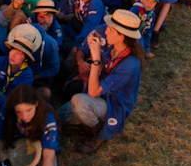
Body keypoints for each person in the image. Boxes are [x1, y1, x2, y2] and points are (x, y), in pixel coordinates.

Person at [59, 9, 144, 154]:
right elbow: (97, 73)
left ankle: (95, 131)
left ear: (121, 36)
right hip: (102, 97)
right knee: (58, 117)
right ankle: (87, 119)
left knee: (79, 101)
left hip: (114, 106)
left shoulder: (129, 64)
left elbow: (93, 91)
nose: (106, 32)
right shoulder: (115, 50)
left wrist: (96, 58)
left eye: (111, 30)